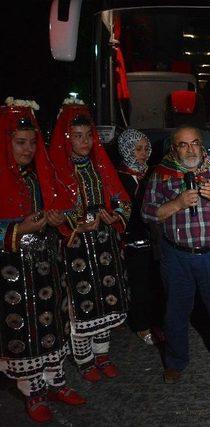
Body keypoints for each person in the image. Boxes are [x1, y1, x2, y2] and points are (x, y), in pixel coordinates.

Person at [0, 99, 85, 423]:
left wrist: (55, 218)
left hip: (45, 265)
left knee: (52, 321)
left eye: (33, 142)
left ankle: (56, 382)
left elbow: (58, 210)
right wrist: (21, 229)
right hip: (12, 272)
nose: (28, 149)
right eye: (20, 142)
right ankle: (33, 393)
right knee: (24, 328)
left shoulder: (37, 178)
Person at [141, 125, 210, 382]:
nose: (190, 149)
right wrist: (177, 204)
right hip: (177, 256)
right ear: (174, 148)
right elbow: (147, 212)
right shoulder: (162, 174)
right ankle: (175, 360)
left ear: (202, 145)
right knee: (176, 311)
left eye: (195, 143)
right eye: (183, 144)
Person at [49, 99, 131, 383]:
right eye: (78, 137)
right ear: (66, 138)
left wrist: (114, 215)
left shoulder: (100, 167)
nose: (84, 142)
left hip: (103, 244)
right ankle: (84, 360)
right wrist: (77, 223)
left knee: (105, 297)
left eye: (88, 136)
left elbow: (121, 199)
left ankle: (103, 354)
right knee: (81, 301)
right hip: (74, 248)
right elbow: (53, 211)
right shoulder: (57, 172)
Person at [117, 128, 164, 345]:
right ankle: (141, 325)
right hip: (133, 240)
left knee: (156, 282)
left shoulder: (153, 173)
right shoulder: (119, 177)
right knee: (139, 285)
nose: (143, 153)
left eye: (146, 148)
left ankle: (157, 321)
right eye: (138, 149)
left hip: (154, 239)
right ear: (126, 150)